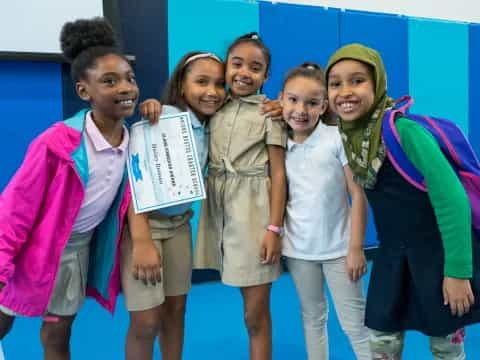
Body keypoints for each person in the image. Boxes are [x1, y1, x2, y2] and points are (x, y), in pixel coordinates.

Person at [325, 43, 480, 359]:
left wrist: (458, 271)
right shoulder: (350, 135)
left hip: (437, 258)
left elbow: (452, 201)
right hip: (393, 255)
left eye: (357, 81)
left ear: (378, 83)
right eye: (335, 83)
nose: (345, 91)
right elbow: (298, 109)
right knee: (381, 337)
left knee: (445, 344)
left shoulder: (403, 131)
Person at [0, 17, 137, 359]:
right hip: (33, 251)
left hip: (76, 251)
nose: (125, 87)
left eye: (129, 78)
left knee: (58, 333)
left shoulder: (132, 139)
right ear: (83, 91)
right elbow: (16, 206)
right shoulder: (57, 144)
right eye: (109, 81)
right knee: (3, 318)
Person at [122, 51, 226, 360]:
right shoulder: (161, 116)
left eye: (220, 84)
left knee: (176, 310)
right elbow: (135, 179)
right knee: (146, 319)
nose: (212, 91)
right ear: (181, 85)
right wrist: (141, 241)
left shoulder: (213, 124)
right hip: (145, 228)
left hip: (179, 226)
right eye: (202, 82)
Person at [194, 32, 287, 360]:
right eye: (237, 64)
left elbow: (278, 174)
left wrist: (274, 229)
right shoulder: (213, 108)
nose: (244, 72)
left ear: (266, 76)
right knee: (244, 306)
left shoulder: (270, 113)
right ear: (225, 67)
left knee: (255, 313)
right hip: (221, 210)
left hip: (254, 214)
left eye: (255, 67)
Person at [279, 62, 371, 359]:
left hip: (339, 250)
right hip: (298, 250)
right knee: (312, 318)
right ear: (281, 99)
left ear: (324, 106)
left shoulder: (336, 138)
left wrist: (355, 248)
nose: (300, 110)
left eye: (312, 103)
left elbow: (358, 194)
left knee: (355, 324)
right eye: (292, 100)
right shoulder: (277, 143)